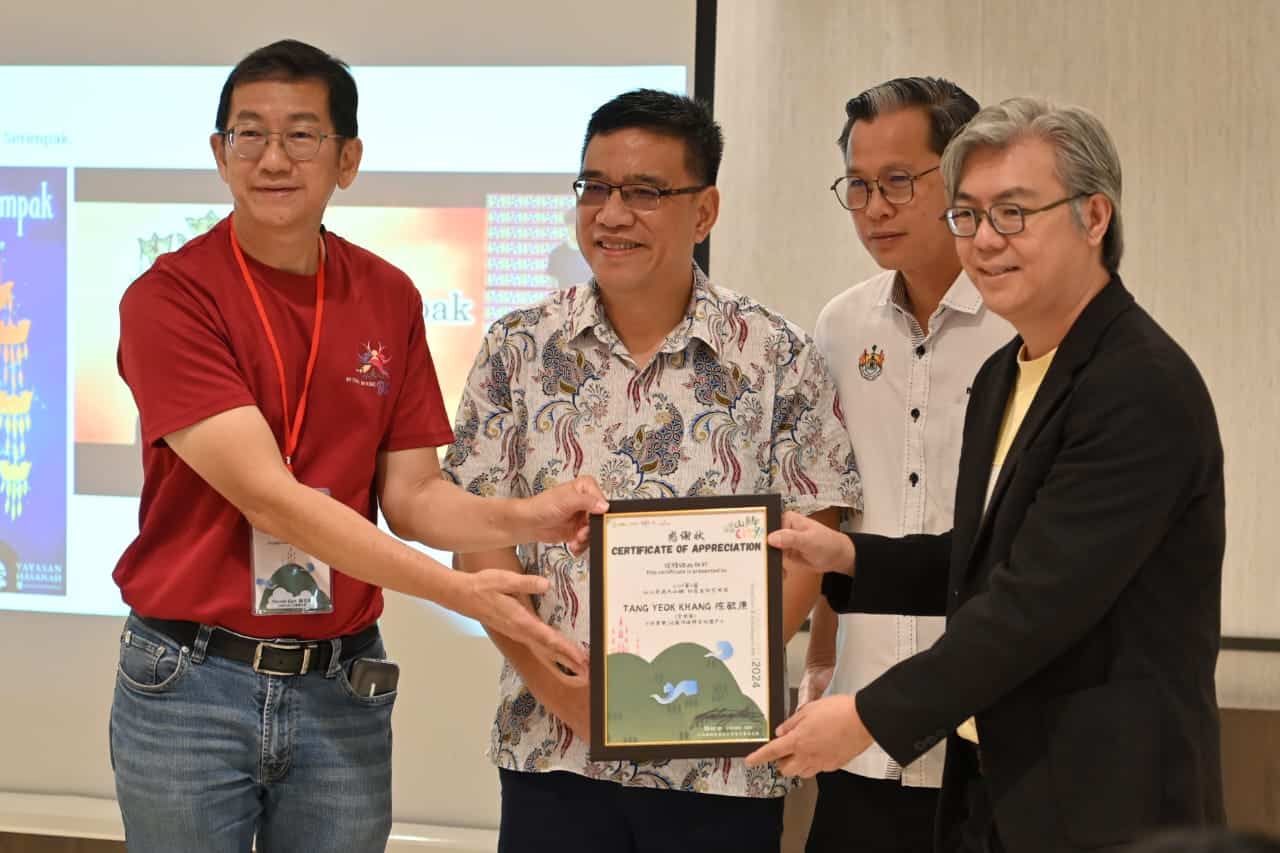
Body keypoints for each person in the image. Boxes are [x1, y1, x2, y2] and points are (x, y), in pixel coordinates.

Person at [110, 39, 606, 853]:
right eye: (249, 133)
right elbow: (271, 499)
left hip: (341, 685)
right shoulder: (170, 298)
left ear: (348, 160)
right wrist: (462, 593)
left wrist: (529, 516)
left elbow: (412, 494)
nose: (274, 158)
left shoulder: (385, 293)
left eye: (302, 134)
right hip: (191, 682)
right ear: (220, 153)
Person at [749, 97, 1225, 853]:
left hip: (1106, 800)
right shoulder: (1009, 371)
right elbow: (985, 562)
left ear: (1094, 217)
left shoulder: (1139, 385)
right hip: (995, 786)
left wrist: (868, 717)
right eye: (967, 215)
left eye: (1014, 213)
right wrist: (850, 556)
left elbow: (1034, 603)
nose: (985, 240)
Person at [442, 89, 861, 853]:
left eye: (644, 192)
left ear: (704, 212)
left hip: (722, 761)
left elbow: (810, 543)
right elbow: (477, 536)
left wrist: (712, 689)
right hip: (553, 748)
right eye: (595, 187)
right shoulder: (518, 348)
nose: (611, 214)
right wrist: (561, 689)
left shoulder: (777, 354)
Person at [804, 77, 1012, 853]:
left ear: (962, 179)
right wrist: (820, 657)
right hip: (859, 727)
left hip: (989, 734)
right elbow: (840, 509)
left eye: (898, 181)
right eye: (857, 186)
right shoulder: (839, 325)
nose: (875, 207)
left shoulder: (1019, 323)